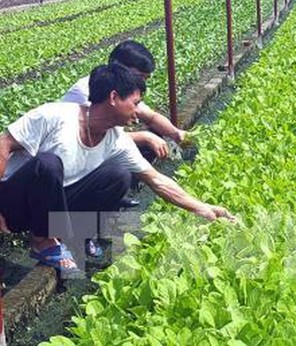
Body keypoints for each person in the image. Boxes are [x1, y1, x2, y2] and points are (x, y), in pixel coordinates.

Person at [0, 64, 235, 276]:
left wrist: (203, 208)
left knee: (118, 175)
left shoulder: (116, 139)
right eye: (135, 103)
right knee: (48, 164)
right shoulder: (55, 116)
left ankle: (66, 237)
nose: (138, 111)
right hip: (15, 204)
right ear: (113, 97)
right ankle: (43, 242)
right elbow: (4, 143)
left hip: (50, 205)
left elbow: (157, 181)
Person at [63, 40, 186, 162]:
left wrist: (176, 133)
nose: (142, 82)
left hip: (103, 145)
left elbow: (151, 117)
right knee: (124, 168)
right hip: (81, 153)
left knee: (155, 135)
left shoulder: (125, 89)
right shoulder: (88, 89)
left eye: (145, 78)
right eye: (139, 76)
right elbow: (95, 137)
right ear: (119, 67)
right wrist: (145, 137)